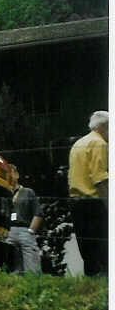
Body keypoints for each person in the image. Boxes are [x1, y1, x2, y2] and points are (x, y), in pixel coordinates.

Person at [68, 110, 108, 276]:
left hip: (76, 202)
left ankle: (89, 288)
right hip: (94, 203)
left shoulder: (78, 143)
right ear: (104, 127)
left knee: (88, 253)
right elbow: (99, 179)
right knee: (103, 251)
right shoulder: (99, 143)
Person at [7, 165, 43, 274]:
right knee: (12, 265)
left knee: (32, 265)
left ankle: (34, 282)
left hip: (25, 230)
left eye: (11, 173)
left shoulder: (28, 192)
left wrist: (31, 231)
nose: (9, 176)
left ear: (17, 175)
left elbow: (38, 213)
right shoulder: (4, 193)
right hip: (8, 232)